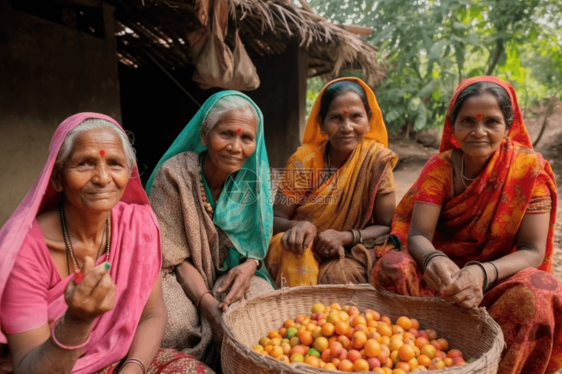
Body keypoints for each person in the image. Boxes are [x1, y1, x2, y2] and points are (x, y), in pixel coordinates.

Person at [373, 76, 562, 374]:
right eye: (467, 122)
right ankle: (411, 354)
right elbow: (420, 235)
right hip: (439, 281)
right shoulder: (441, 167)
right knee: (393, 267)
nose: (479, 132)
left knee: (543, 290)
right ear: (453, 125)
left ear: (508, 125)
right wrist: (434, 258)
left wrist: (482, 272)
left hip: (498, 280)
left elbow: (532, 250)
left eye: (491, 122)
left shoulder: (530, 171)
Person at [0, 113, 213, 374]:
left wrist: (132, 369)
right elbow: (29, 368)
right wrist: (77, 321)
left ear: (129, 173)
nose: (102, 178)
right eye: (85, 164)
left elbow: (153, 314)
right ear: (58, 177)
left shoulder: (138, 225)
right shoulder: (25, 250)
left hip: (117, 361)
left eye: (114, 164)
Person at [146, 91, 274, 370]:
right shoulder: (174, 175)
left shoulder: (253, 181)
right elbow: (172, 256)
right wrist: (208, 306)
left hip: (233, 272)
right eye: (226, 134)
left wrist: (251, 265)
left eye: (246, 138)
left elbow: (256, 245)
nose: (235, 147)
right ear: (204, 136)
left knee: (261, 314)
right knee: (173, 326)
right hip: (178, 273)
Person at [265, 77, 398, 288]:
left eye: (356, 117)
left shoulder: (376, 160)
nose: (347, 127)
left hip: (348, 248)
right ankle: (298, 318)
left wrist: (345, 237)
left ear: (369, 119)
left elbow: (387, 225)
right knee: (297, 257)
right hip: (300, 245)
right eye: (336, 118)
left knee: (343, 278)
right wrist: (299, 226)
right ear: (321, 124)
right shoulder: (304, 161)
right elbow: (274, 218)